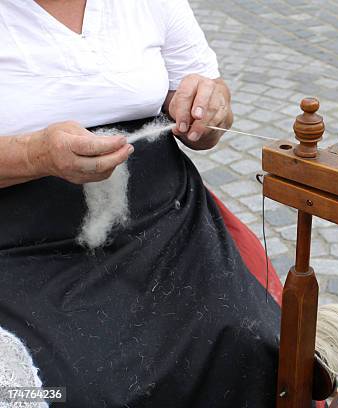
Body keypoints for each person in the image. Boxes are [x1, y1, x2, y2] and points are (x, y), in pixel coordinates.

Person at [0, 1, 285, 406]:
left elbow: (206, 103)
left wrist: (209, 108)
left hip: (165, 225)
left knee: (247, 339)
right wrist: (35, 155)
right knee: (70, 388)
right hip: (22, 248)